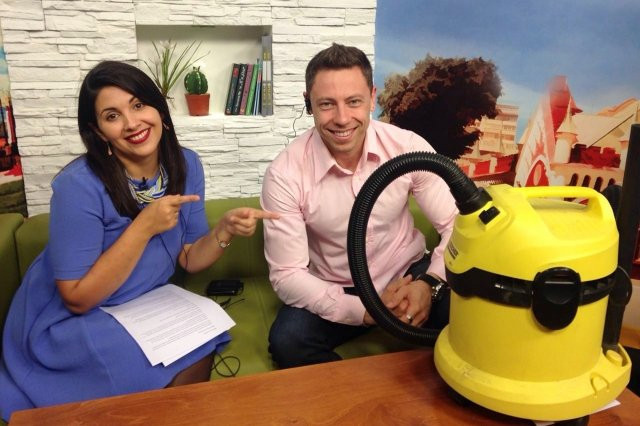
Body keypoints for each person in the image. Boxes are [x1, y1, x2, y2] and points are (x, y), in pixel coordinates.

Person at [0, 60, 278, 420]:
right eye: (112, 116)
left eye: (138, 105)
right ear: (99, 132)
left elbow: (190, 257)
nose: (132, 123)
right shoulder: (78, 186)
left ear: (159, 110)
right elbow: (76, 298)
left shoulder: (186, 164)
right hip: (68, 320)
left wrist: (223, 232)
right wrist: (144, 226)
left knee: (204, 338)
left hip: (140, 305)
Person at [261, 43, 458, 368]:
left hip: (409, 275)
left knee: (469, 317)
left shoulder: (407, 147)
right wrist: (365, 312)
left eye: (353, 101)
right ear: (309, 104)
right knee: (288, 341)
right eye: (327, 104)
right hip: (338, 287)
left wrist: (430, 283)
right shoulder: (284, 174)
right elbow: (287, 274)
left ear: (372, 97)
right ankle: (359, 393)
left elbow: (456, 225)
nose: (342, 119)